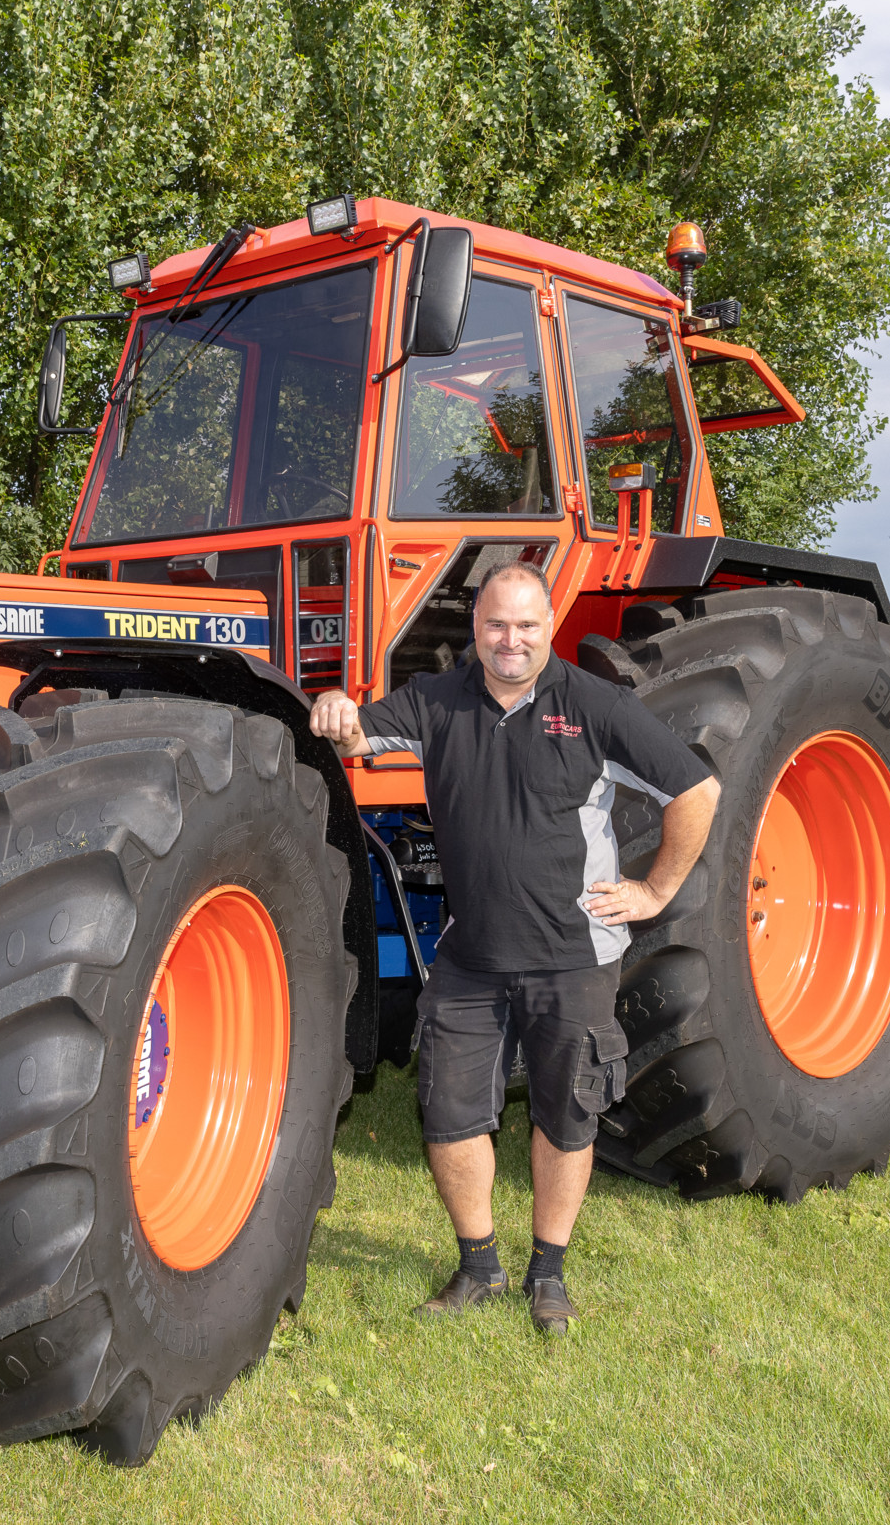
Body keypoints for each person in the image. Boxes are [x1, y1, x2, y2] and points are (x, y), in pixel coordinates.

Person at [310, 561, 720, 1336]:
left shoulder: (595, 705)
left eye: (527, 625)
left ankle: (549, 1274)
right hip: (471, 958)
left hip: (574, 955)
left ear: (548, 626)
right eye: (497, 624)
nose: (511, 640)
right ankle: (479, 1266)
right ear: (476, 628)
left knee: (567, 1117)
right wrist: (335, 706)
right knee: (450, 1113)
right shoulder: (439, 700)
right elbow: (361, 728)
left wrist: (655, 892)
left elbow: (696, 791)